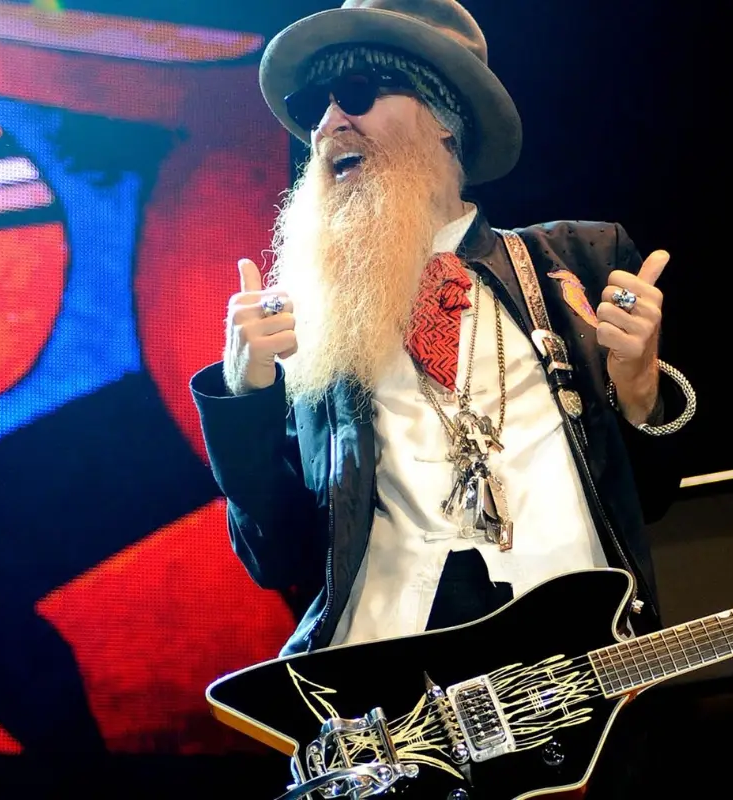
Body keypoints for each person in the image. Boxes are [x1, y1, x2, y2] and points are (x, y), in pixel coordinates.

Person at [189, 0, 696, 793]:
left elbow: (653, 500)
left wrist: (639, 397)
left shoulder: (580, 267)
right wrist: (244, 398)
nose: (327, 123)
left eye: (356, 90)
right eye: (308, 106)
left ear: (445, 117)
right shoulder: (308, 327)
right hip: (389, 711)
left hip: (573, 680)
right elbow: (278, 557)